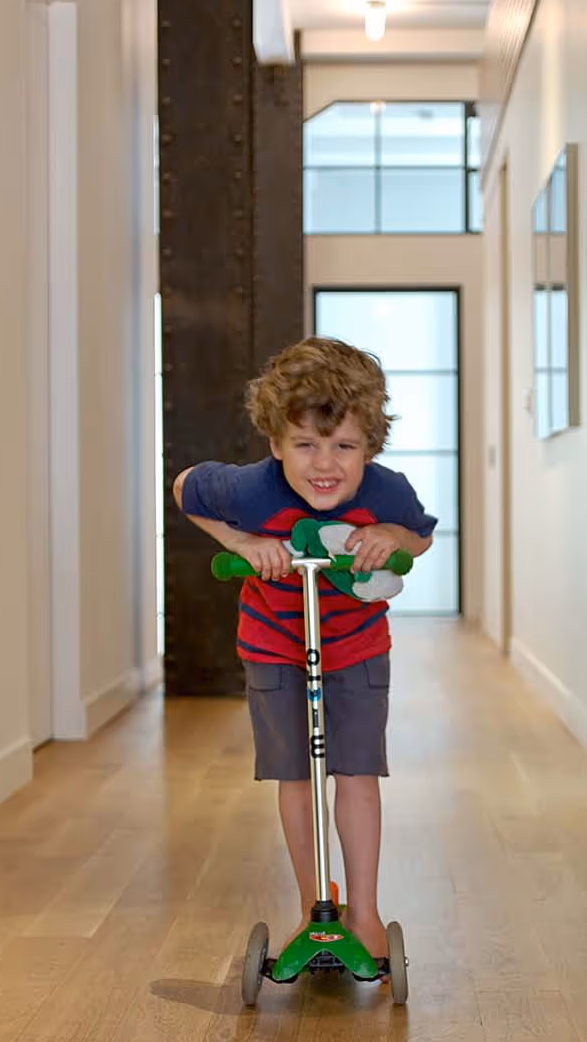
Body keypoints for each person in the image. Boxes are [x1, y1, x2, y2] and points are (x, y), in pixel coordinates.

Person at [172, 336, 436, 962]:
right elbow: (184, 487)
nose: (326, 464)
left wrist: (385, 534)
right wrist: (239, 543)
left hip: (357, 647)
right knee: (294, 776)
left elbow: (418, 537)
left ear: (370, 446)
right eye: (306, 445)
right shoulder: (251, 490)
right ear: (275, 444)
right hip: (273, 649)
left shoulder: (387, 489)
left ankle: (365, 914)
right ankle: (313, 908)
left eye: (345, 446)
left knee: (356, 772)